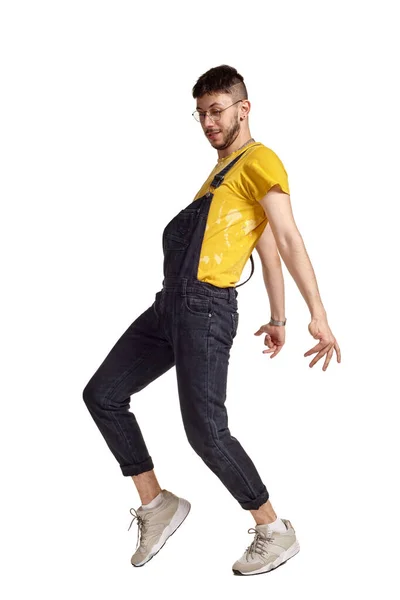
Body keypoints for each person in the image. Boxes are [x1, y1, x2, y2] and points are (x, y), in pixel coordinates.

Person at [82, 64, 341, 576]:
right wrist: (278, 317)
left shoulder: (259, 160)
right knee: (103, 394)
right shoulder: (217, 180)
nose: (208, 122)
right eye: (201, 113)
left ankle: (273, 528)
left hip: (204, 308)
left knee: (206, 431)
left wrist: (318, 314)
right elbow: (262, 249)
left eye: (217, 110)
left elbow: (285, 238)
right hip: (168, 307)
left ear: (244, 109)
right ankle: (157, 504)